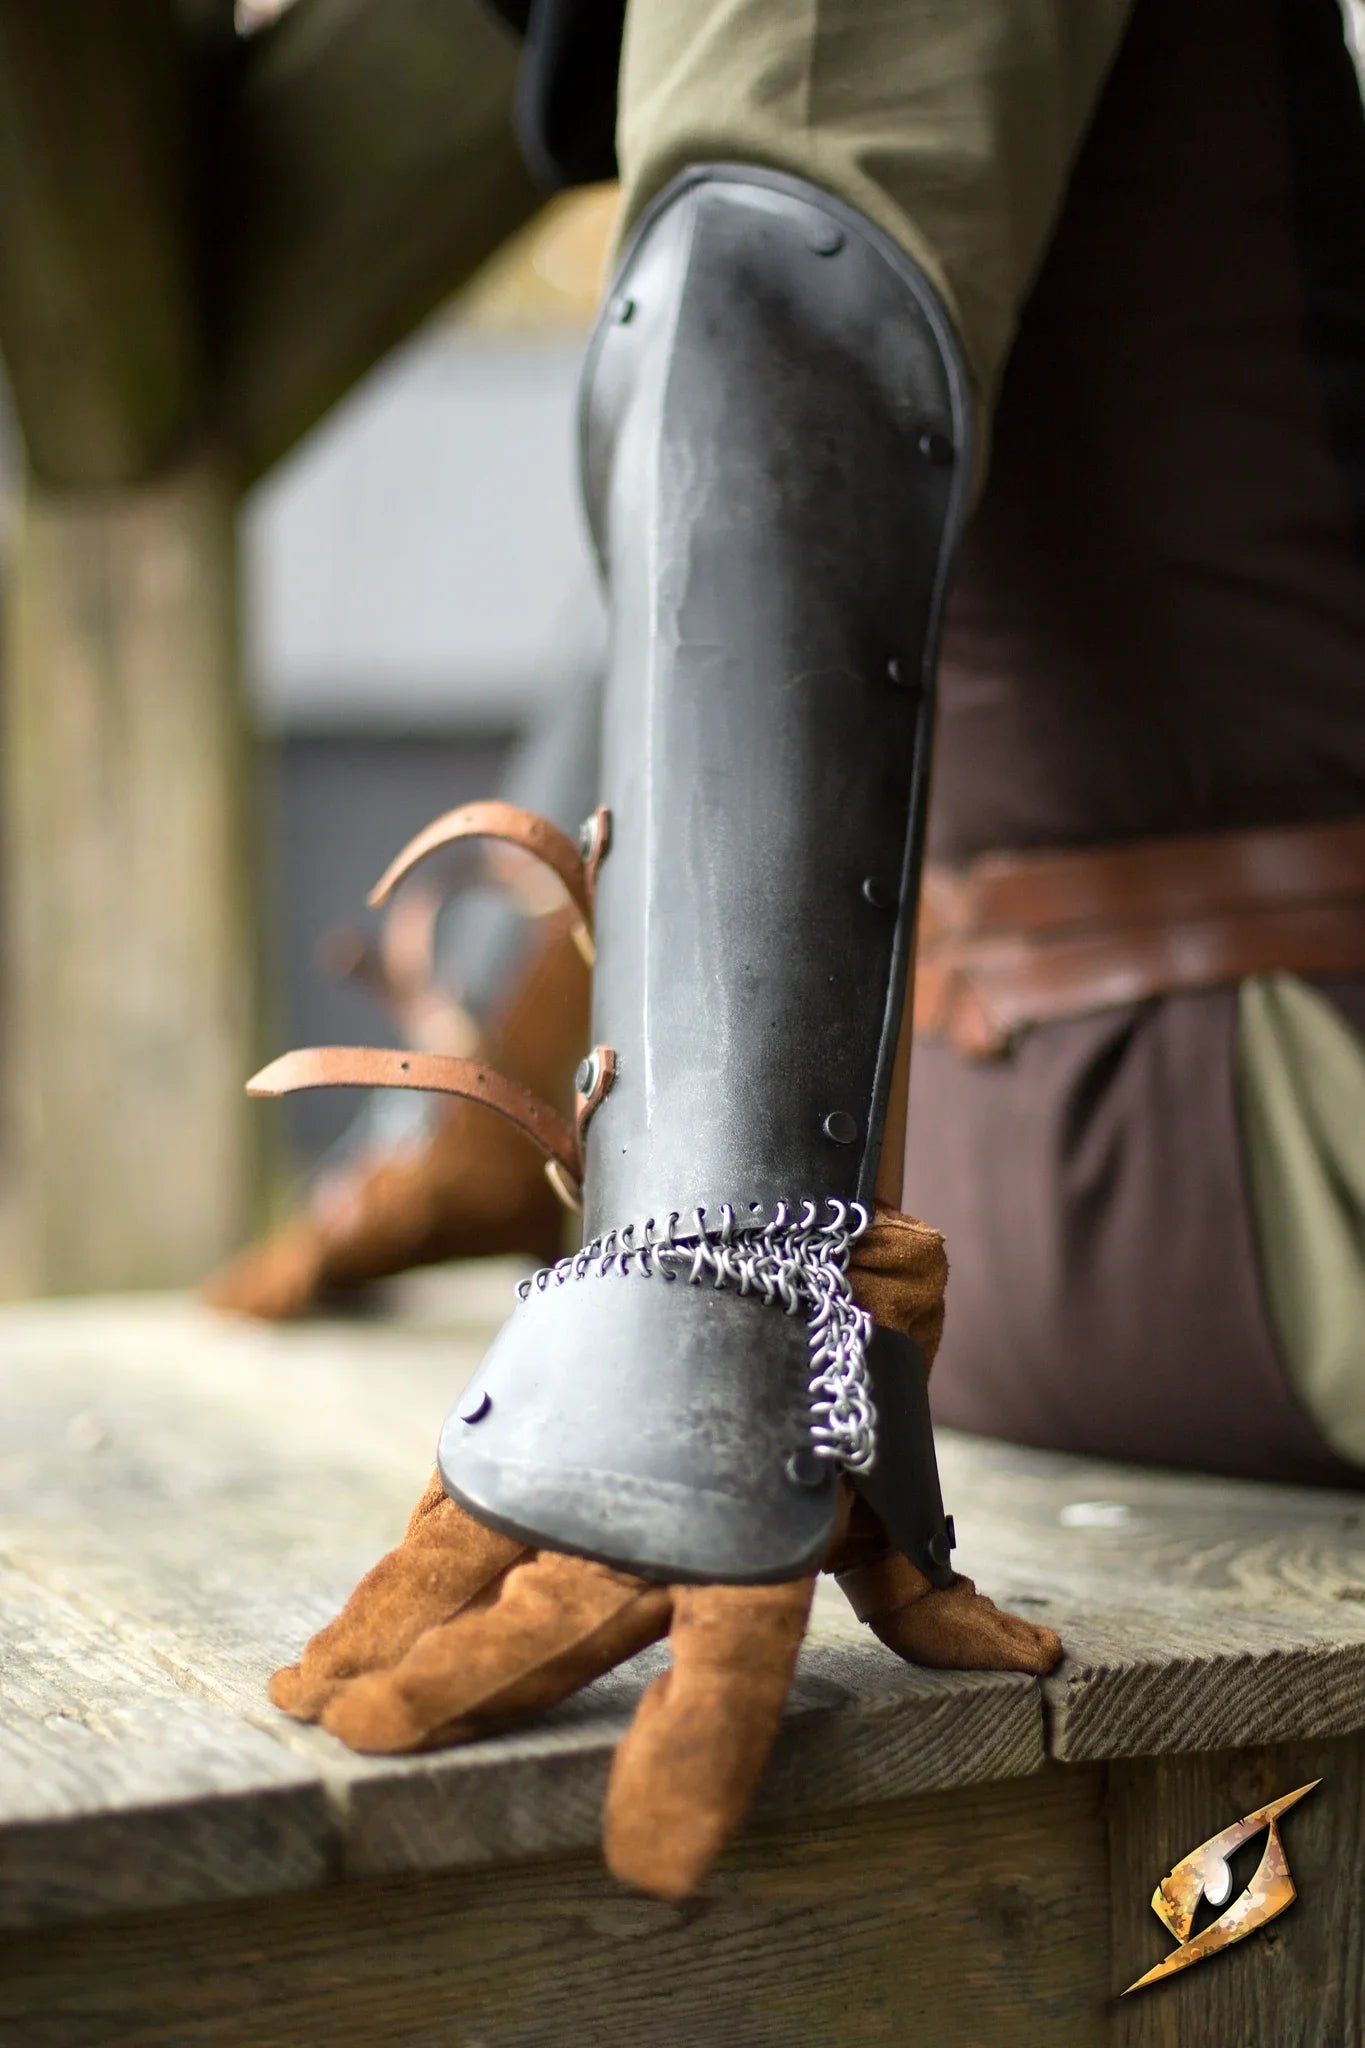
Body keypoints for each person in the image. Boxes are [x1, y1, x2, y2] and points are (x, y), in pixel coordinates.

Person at [242, 0, 1365, 1898]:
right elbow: (765, 354)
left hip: (1120, 1178)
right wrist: (716, 1288)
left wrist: (703, 1272)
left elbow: (773, 334)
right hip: (1246, 1163)